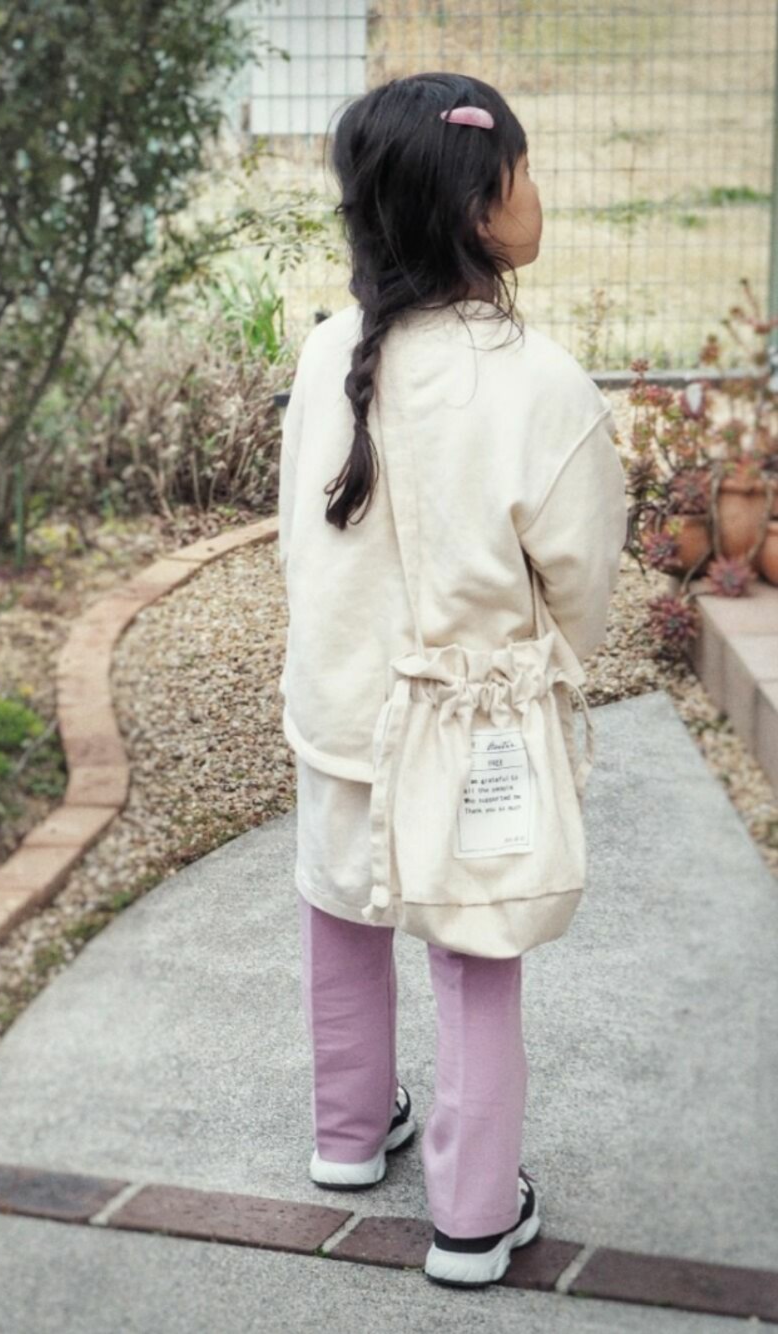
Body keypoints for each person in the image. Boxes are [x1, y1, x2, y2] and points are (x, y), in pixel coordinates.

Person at [277, 72, 628, 1289]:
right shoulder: (542, 382)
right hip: (477, 732)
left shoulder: (328, 354)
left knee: (339, 908)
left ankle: (344, 1133)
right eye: (524, 170)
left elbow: (300, 540)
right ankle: (473, 1214)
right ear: (481, 205)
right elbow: (580, 580)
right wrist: (548, 666)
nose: (537, 192)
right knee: (476, 954)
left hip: (340, 709)